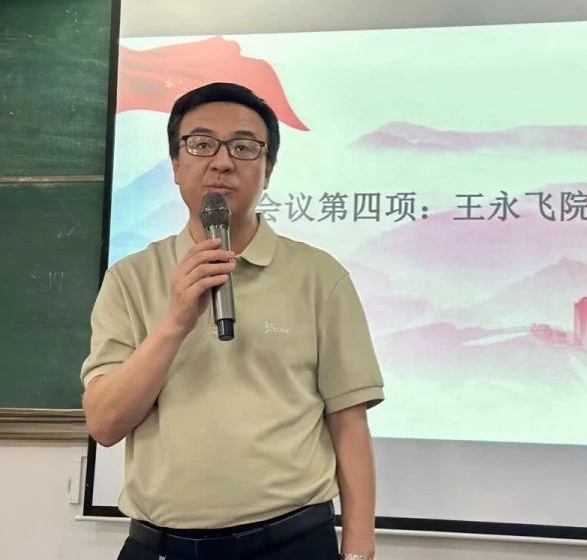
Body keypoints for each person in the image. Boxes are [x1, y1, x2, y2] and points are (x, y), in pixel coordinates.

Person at [81, 82, 383, 560]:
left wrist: (360, 551)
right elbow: (104, 424)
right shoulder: (129, 279)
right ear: (176, 164)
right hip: (160, 545)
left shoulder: (319, 277)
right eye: (201, 144)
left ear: (268, 170)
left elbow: (348, 422)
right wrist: (174, 323)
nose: (222, 162)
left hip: (291, 543)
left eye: (244, 147)